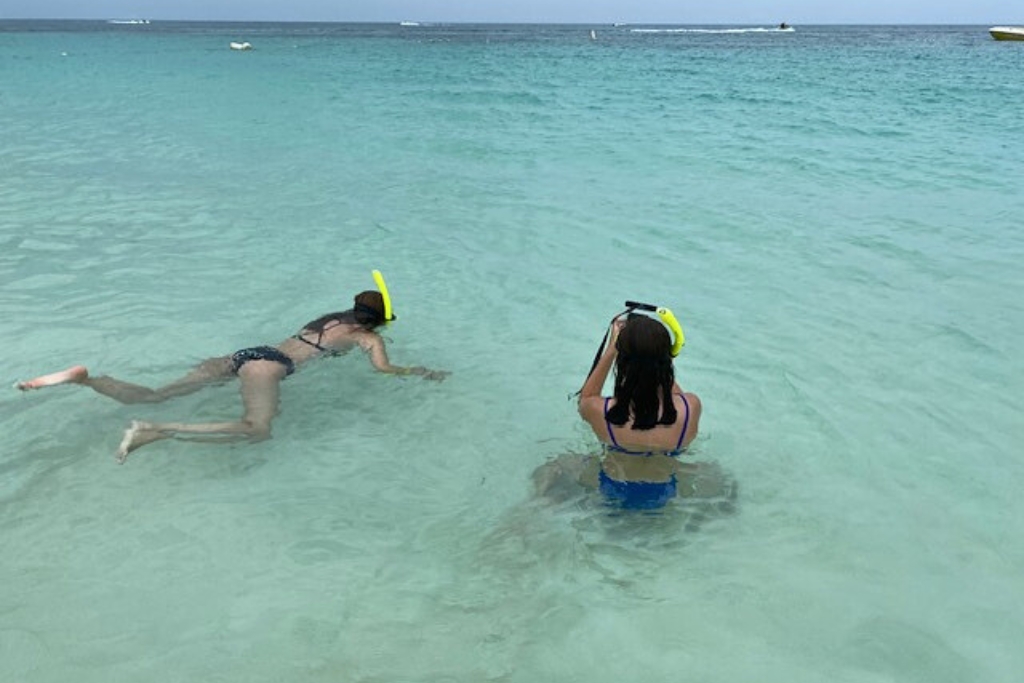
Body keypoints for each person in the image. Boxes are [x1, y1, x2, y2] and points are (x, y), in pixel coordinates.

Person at [15, 289, 449, 462]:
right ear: (378, 322)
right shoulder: (366, 338)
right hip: (269, 367)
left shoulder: (330, 318)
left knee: (155, 392)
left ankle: (85, 378)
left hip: (245, 354)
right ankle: (155, 432)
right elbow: (385, 370)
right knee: (257, 430)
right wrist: (420, 371)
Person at [542, 311, 702, 510]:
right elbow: (670, 390)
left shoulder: (602, 411)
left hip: (613, 488)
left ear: (622, 363)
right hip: (665, 491)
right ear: (667, 359)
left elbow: (586, 398)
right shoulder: (690, 407)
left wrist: (612, 348)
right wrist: (656, 361)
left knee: (555, 465)